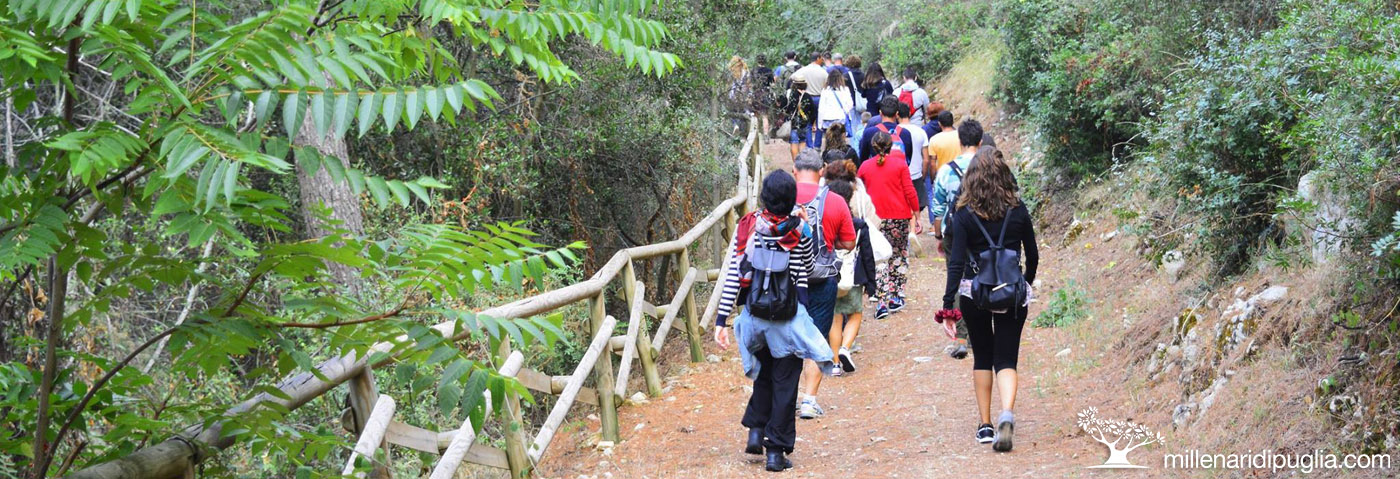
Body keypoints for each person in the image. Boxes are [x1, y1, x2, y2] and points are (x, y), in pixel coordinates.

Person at [714, 170, 835, 472]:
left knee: (763, 374)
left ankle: (756, 431)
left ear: (764, 197)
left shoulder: (749, 227)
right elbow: (807, 269)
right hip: (787, 320)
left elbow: (734, 275)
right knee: (785, 384)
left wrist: (721, 319)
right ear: (792, 198)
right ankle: (775, 452)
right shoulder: (800, 232)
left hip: (755, 318)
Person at [938, 146, 1037, 452]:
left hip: (974, 292)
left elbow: (955, 263)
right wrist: (1024, 283)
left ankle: (985, 425)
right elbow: (1032, 256)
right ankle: (1006, 412)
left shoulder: (963, 215)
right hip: (1012, 291)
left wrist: (947, 306)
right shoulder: (1018, 211)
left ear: (972, 179)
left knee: (982, 355)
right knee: (1006, 358)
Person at [791, 149, 856, 420]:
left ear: (795, 172)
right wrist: (829, 243)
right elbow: (849, 242)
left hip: (789, 278)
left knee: (787, 337)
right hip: (822, 277)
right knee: (817, 337)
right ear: (822, 171)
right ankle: (809, 400)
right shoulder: (836, 201)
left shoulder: (782, 197)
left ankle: (786, 396)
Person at [856, 131, 922, 320]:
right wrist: (916, 215)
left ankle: (881, 299)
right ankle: (896, 295)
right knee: (899, 255)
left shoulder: (865, 167)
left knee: (878, 258)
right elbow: (909, 191)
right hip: (899, 216)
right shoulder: (900, 165)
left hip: (875, 220)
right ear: (891, 146)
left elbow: (860, 193)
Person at [821, 162, 876, 376]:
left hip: (830, 274)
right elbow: (868, 255)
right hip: (853, 275)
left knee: (835, 316)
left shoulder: (823, 221)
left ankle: (835, 362)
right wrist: (871, 283)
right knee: (855, 313)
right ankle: (846, 347)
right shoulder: (859, 224)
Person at [926, 110, 961, 226]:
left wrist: (933, 178)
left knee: (943, 205)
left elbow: (932, 163)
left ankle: (942, 229)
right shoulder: (960, 135)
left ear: (939, 124)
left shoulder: (934, 140)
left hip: (943, 177)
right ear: (953, 121)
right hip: (961, 174)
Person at [896, 102, 931, 218]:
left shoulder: (895, 131)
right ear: (910, 113)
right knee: (916, 206)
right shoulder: (920, 131)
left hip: (899, 175)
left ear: (897, 115)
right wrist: (923, 176)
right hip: (916, 174)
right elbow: (926, 159)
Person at [858, 97, 914, 164]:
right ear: (896, 114)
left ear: (880, 113)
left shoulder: (869, 133)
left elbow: (863, 159)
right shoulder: (906, 133)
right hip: (899, 172)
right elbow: (908, 159)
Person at [778, 74, 818, 160]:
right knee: (803, 142)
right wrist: (812, 123)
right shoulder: (808, 96)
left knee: (794, 143)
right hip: (804, 124)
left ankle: (795, 164)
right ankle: (802, 163)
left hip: (792, 123)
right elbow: (813, 112)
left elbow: (783, 107)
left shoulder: (790, 95)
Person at [817, 70, 855, 137]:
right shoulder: (845, 89)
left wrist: (820, 123)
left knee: (829, 139)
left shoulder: (825, 90)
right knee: (840, 138)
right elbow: (850, 104)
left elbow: (821, 108)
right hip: (841, 118)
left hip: (828, 118)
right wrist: (845, 111)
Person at [726, 56, 752, 134]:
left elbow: (728, 85)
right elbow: (749, 85)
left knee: (732, 112)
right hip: (744, 96)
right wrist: (750, 95)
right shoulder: (746, 72)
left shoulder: (732, 73)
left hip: (734, 96)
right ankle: (744, 131)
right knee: (744, 112)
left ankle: (735, 125)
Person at [752, 55, 775, 140]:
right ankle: (766, 135)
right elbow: (772, 83)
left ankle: (756, 135)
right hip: (765, 93)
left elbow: (751, 82)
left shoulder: (754, 70)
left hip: (756, 93)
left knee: (756, 115)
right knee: (765, 116)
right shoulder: (769, 70)